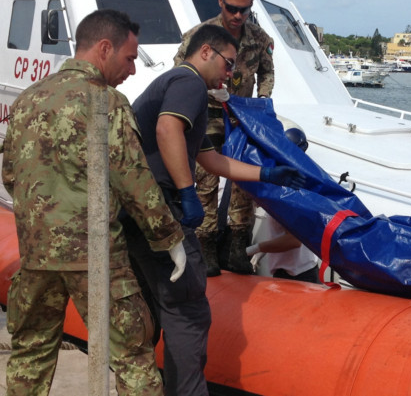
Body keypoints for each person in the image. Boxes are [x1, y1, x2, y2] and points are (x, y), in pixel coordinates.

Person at [1, 9, 186, 396]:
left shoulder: (27, 100)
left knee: (30, 355)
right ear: (105, 48)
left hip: (36, 255)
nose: (132, 70)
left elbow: (10, 176)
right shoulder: (107, 102)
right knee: (133, 358)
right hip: (96, 257)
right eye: (130, 58)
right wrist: (169, 237)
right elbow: (135, 183)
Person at [125, 24, 304, 396]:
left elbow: (213, 160)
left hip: (136, 214)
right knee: (189, 312)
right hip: (161, 212)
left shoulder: (180, 90)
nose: (231, 75)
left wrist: (268, 173)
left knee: (160, 307)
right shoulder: (188, 83)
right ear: (206, 52)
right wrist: (188, 193)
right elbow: (167, 130)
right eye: (228, 65)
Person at [174, 0, 275, 277]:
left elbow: (267, 73)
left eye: (243, 9)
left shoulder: (260, 39)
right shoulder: (201, 35)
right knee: (206, 180)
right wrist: (204, 91)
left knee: (245, 182)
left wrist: (264, 101)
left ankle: (235, 245)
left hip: (242, 116)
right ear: (220, 1)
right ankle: (204, 246)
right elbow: (181, 70)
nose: (237, 15)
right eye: (232, 8)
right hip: (208, 113)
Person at [245, 128, 320, 284]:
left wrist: (256, 248)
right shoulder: (297, 184)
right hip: (296, 270)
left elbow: (293, 240)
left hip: (297, 275)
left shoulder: (291, 192)